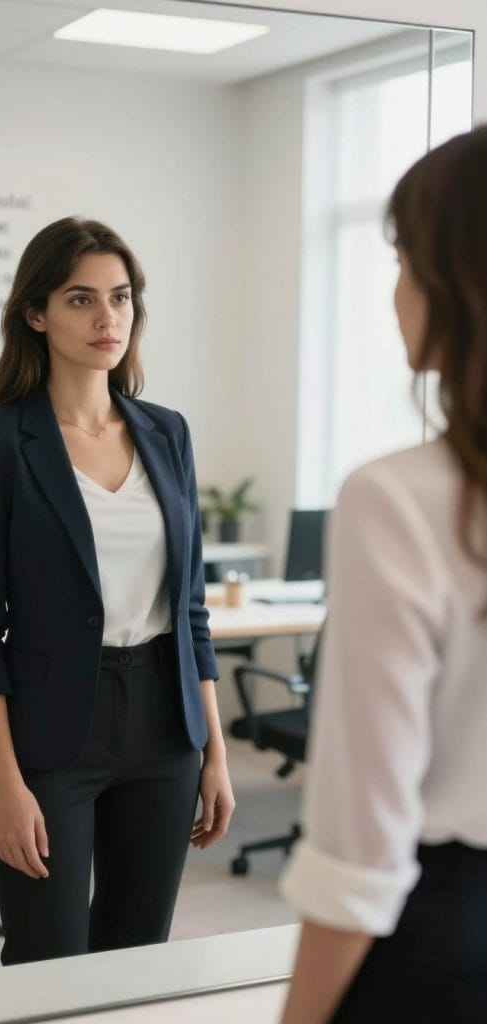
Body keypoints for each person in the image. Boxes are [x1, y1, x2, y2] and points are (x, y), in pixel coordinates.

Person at [0, 216, 235, 965]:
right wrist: (3, 785)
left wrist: (214, 752)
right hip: (48, 736)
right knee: (47, 961)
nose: (107, 318)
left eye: (120, 297)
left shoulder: (165, 432)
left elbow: (191, 609)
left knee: (137, 957)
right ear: (35, 313)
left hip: (165, 727)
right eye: (81, 300)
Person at [278, 126, 487, 1024]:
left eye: (403, 259)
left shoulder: (397, 499)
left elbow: (360, 848)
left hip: (444, 942)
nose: (395, 292)